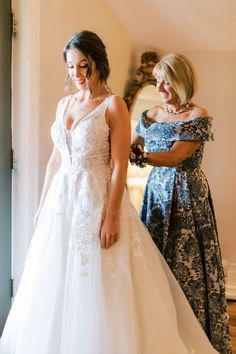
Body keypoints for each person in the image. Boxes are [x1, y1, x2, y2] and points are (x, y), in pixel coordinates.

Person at [0, 32, 220, 354]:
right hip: (64, 201)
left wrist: (111, 216)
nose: (76, 74)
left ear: (98, 63)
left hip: (97, 199)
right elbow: (55, 158)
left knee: (100, 280)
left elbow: (119, 164)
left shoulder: (113, 104)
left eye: (83, 66)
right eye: (71, 67)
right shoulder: (65, 104)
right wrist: (42, 204)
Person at [131, 53, 232, 354]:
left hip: (188, 192)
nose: (160, 88)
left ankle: (192, 331)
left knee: (187, 264)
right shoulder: (150, 116)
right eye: (158, 81)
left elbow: (175, 157)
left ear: (182, 82)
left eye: (167, 82)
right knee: (156, 258)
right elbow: (130, 142)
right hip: (156, 194)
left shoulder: (198, 116)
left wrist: (139, 157)